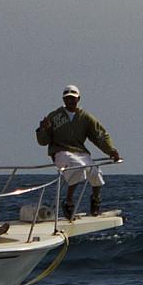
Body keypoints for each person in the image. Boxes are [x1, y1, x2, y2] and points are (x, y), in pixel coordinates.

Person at [37, 84, 121, 216]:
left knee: (95, 172)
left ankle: (95, 200)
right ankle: (69, 202)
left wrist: (111, 151)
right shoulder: (54, 116)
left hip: (80, 151)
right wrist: (43, 129)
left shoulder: (85, 117)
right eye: (67, 98)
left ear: (78, 99)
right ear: (63, 100)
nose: (70, 101)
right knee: (78, 168)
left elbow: (99, 135)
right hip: (60, 151)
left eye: (73, 98)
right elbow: (43, 141)